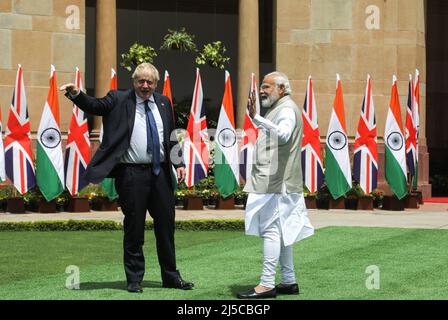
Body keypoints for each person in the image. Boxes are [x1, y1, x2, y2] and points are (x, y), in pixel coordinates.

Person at [60, 63, 193, 293]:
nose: (145, 86)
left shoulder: (163, 102)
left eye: (149, 82)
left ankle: (171, 277)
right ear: (133, 82)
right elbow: (95, 105)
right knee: (134, 228)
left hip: (161, 173)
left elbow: (171, 136)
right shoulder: (119, 98)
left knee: (166, 227)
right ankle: (134, 279)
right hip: (132, 174)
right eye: (140, 81)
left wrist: (178, 163)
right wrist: (76, 93)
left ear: (155, 83)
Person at [237, 72, 315, 299]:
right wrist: (257, 118)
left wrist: (257, 118)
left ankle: (266, 284)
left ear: (281, 89)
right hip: (280, 181)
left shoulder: (287, 110)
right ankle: (289, 281)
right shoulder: (281, 108)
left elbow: (283, 135)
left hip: (277, 183)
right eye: (262, 87)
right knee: (282, 231)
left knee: (272, 230)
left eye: (267, 87)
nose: (262, 90)